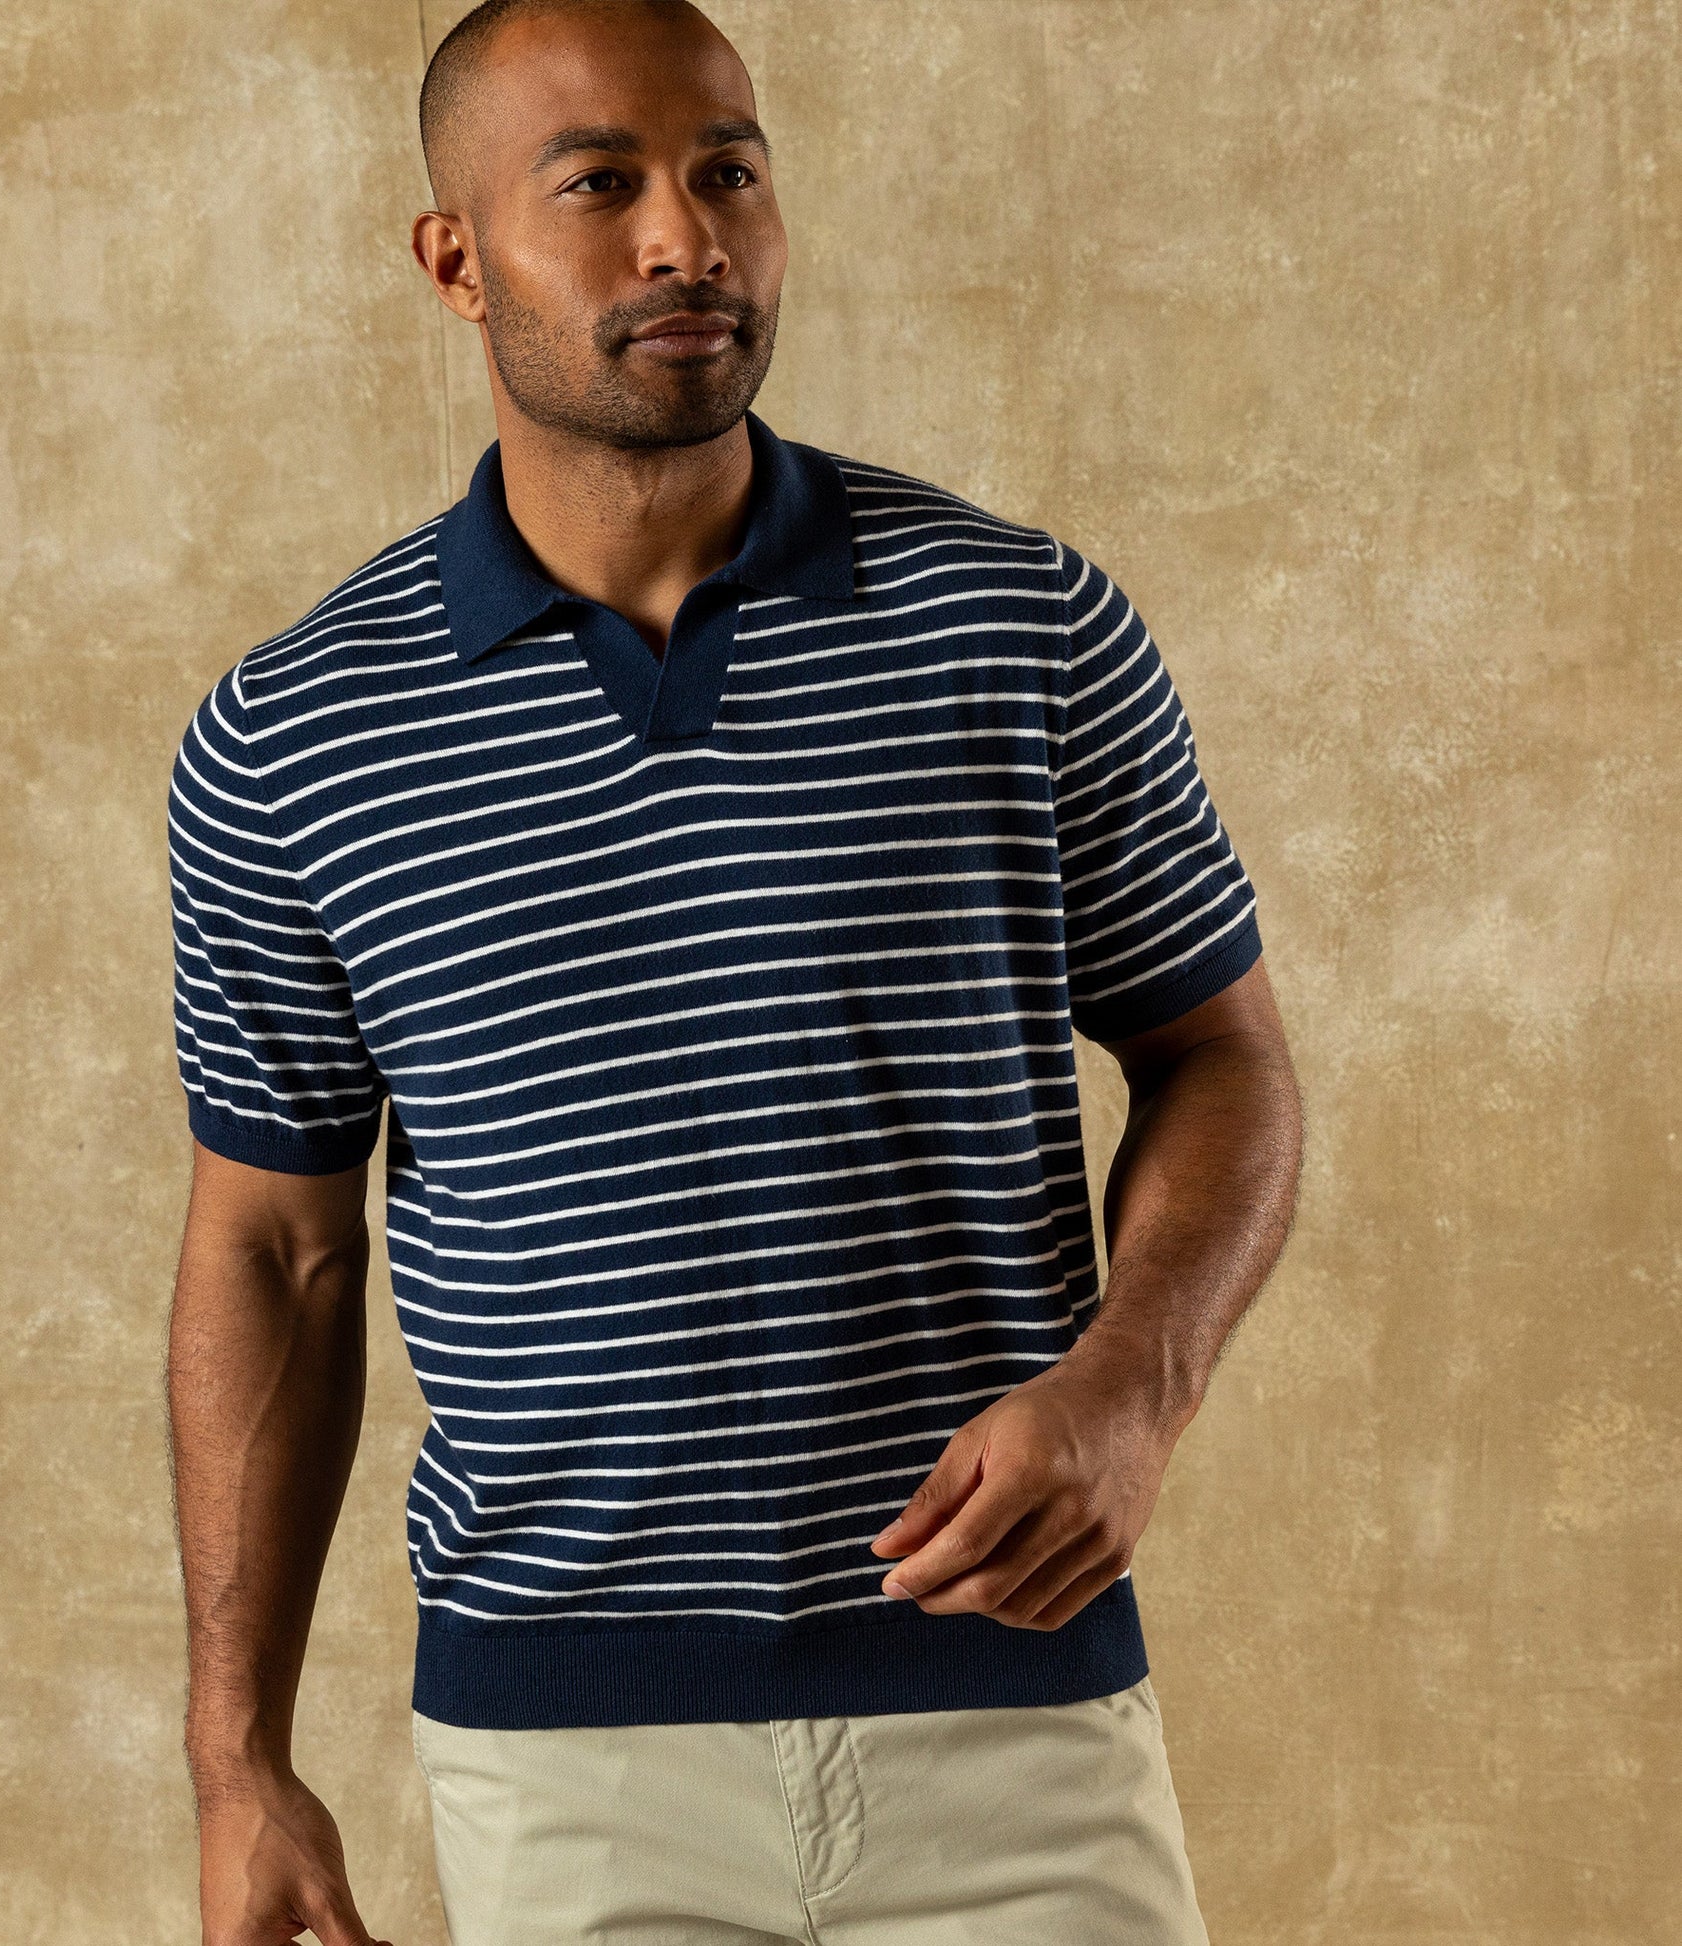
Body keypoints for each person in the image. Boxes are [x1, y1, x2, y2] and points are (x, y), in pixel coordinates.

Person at [163, 0, 1305, 1939]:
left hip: (1010, 1711)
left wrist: (1136, 1385)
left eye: (729, 173)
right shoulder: (294, 738)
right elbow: (276, 1250)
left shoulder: (1019, 625)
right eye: (598, 183)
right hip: (569, 1766)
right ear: (454, 259)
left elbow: (1224, 1057)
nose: (685, 238)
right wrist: (235, 1760)